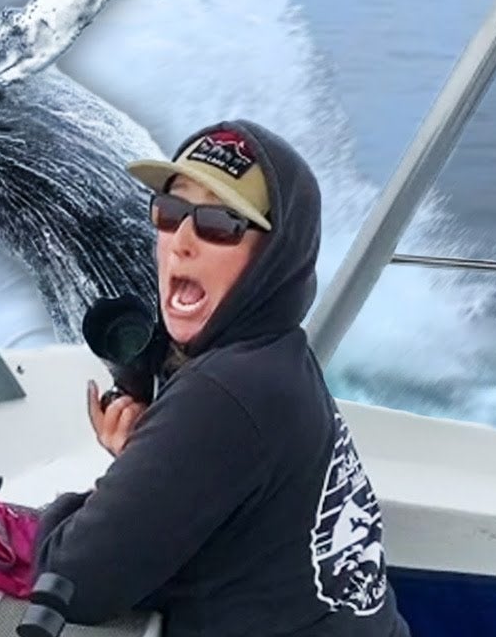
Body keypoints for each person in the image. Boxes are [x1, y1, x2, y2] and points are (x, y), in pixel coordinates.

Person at [34, 119, 411, 637]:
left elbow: (69, 580)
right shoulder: (280, 357)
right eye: (168, 213)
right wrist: (147, 461)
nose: (181, 242)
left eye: (219, 224)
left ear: (272, 256)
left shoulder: (224, 394)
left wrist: (77, 504)